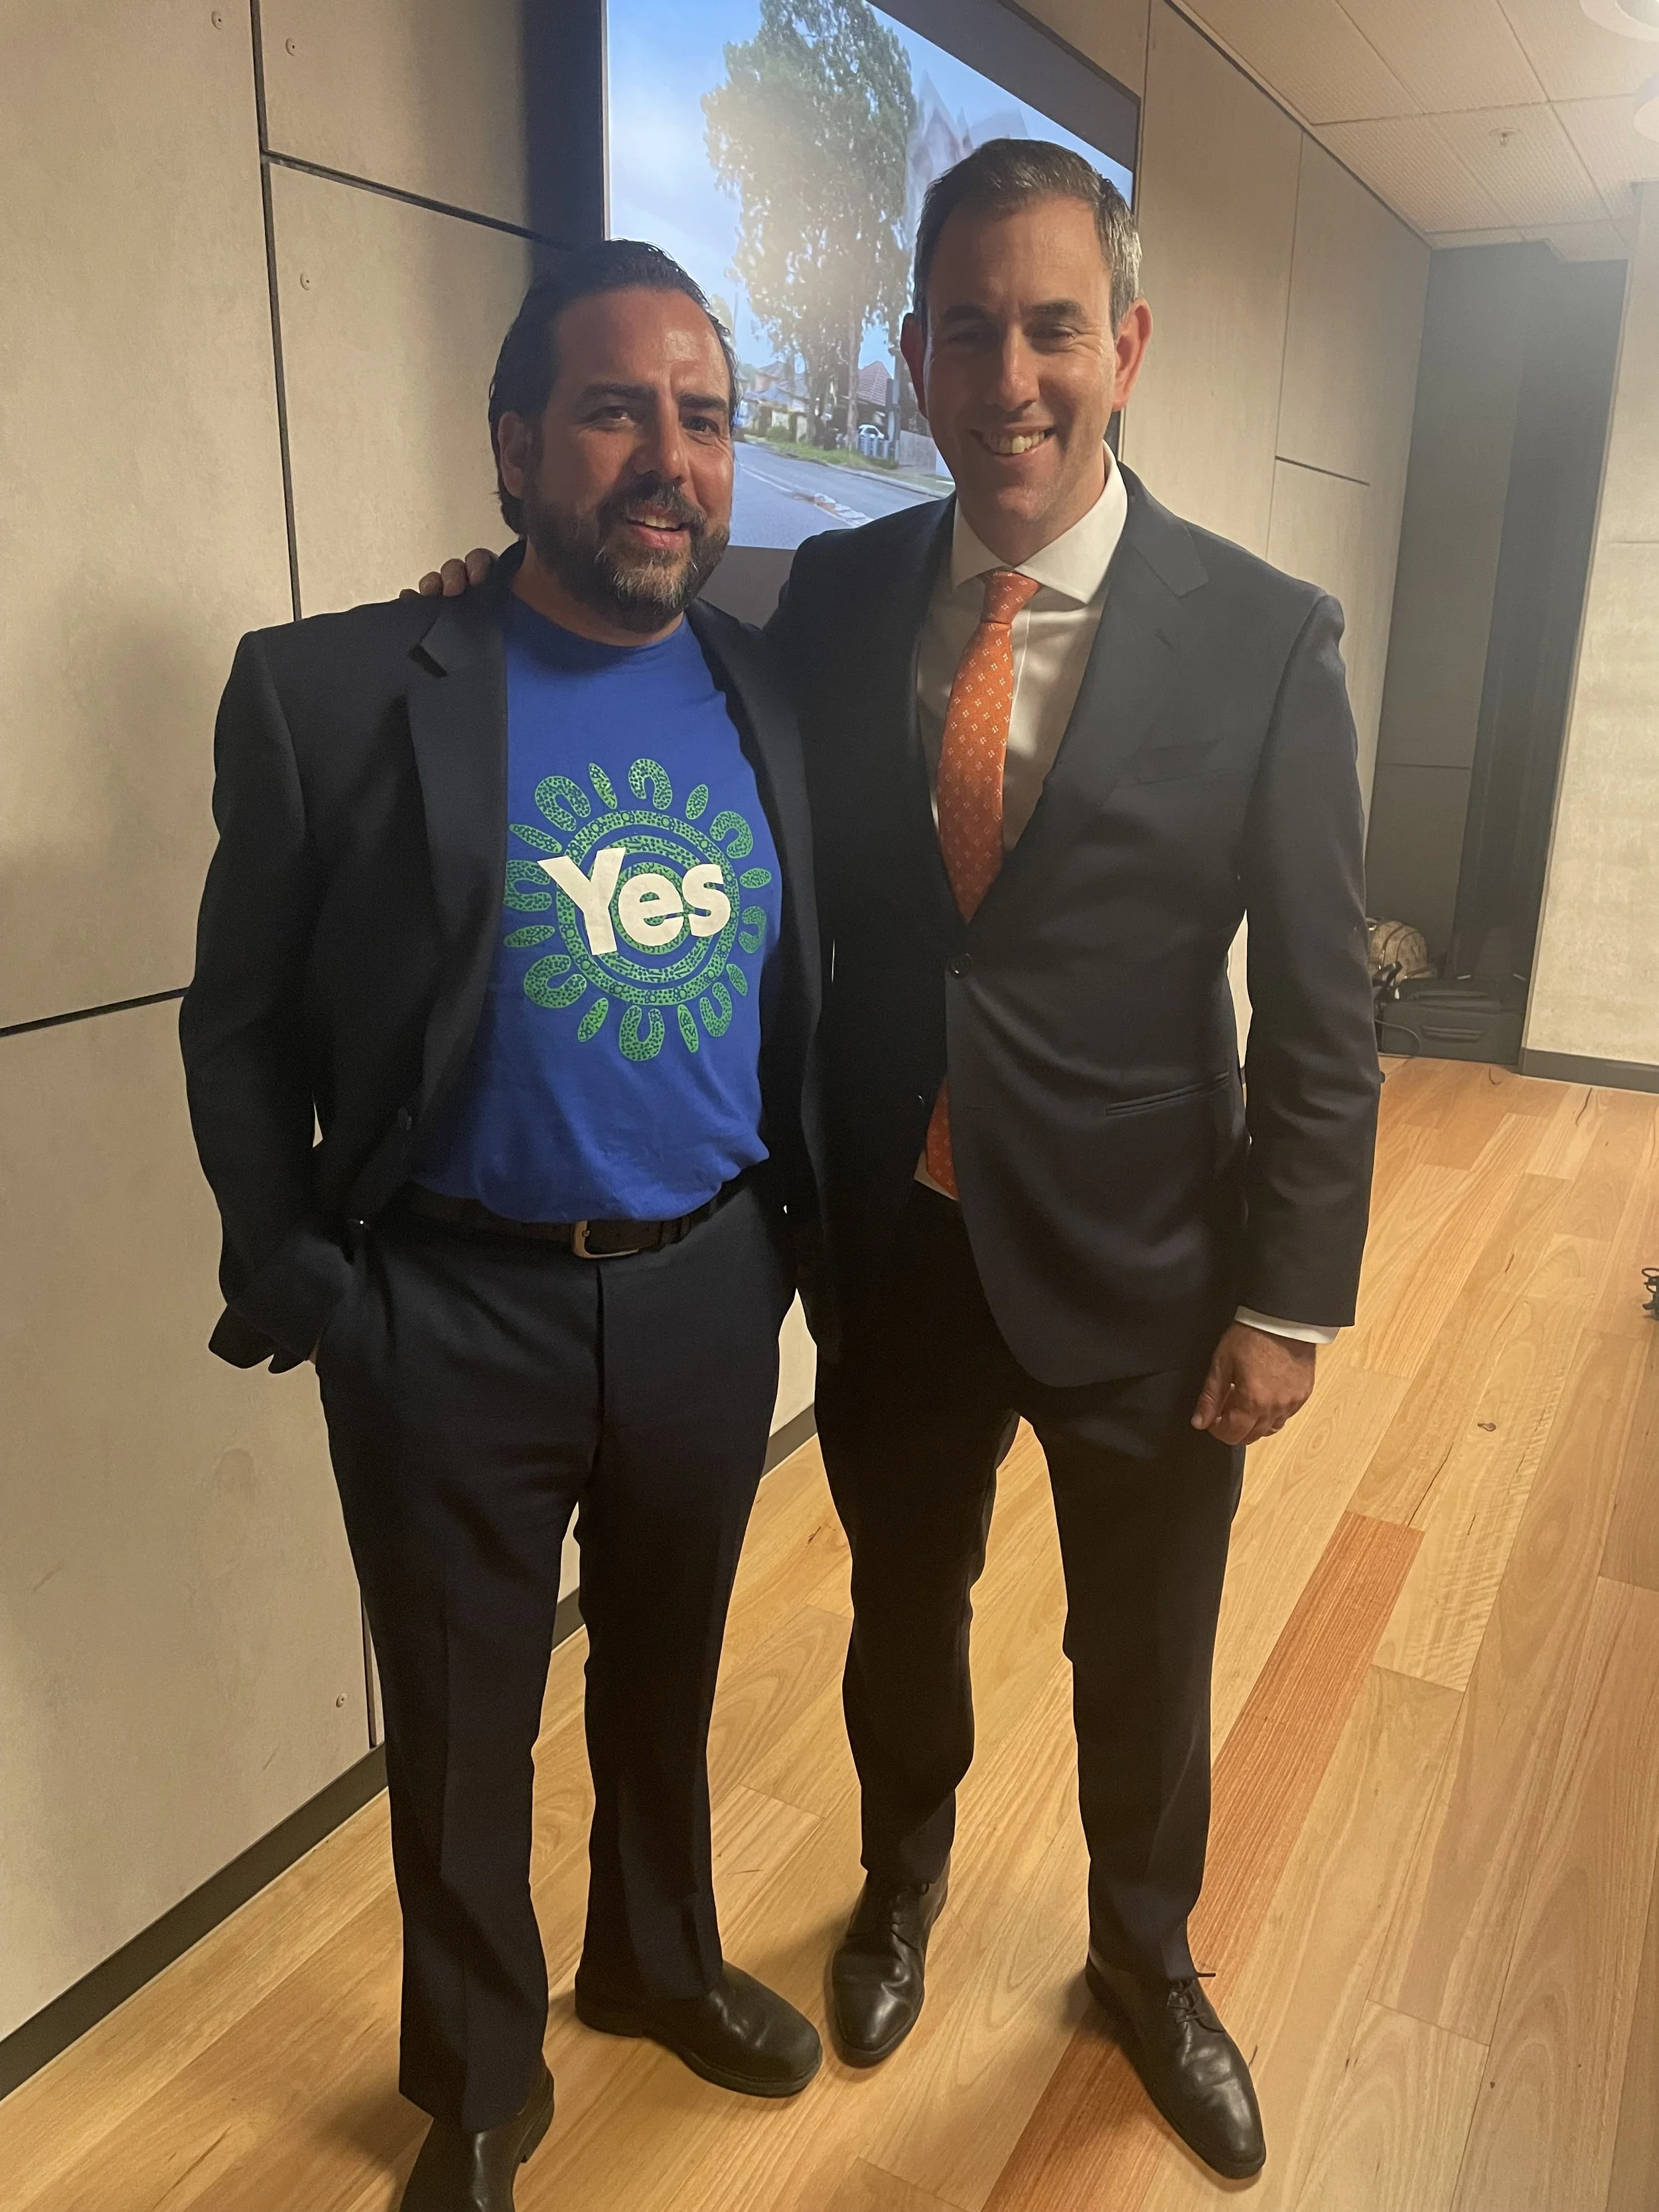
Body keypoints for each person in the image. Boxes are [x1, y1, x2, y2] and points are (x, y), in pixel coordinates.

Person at [417, 139, 1379, 2185]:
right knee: (897, 1609)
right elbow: (642, 672)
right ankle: (898, 1884)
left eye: (1049, 327)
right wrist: (468, 596)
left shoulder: (1266, 636)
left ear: (1120, 351)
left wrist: (1289, 1293)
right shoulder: (835, 595)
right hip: (893, 1242)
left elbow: (1319, 1003)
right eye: (962, 331)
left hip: (1147, 1257)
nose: (1005, 374)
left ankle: (1144, 1952)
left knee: (1141, 1640)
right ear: (916, 360)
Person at [180, 240, 824, 2212]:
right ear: (513, 448)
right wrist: (295, 1263)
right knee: (462, 1718)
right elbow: (239, 1015)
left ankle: (654, 1957)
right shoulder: (340, 687)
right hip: (447, 1304)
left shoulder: (766, 686)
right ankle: (474, 2078)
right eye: (617, 409)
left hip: (709, 1280)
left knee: (667, 1665)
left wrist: (785, 1243)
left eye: (702, 420)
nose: (666, 458)